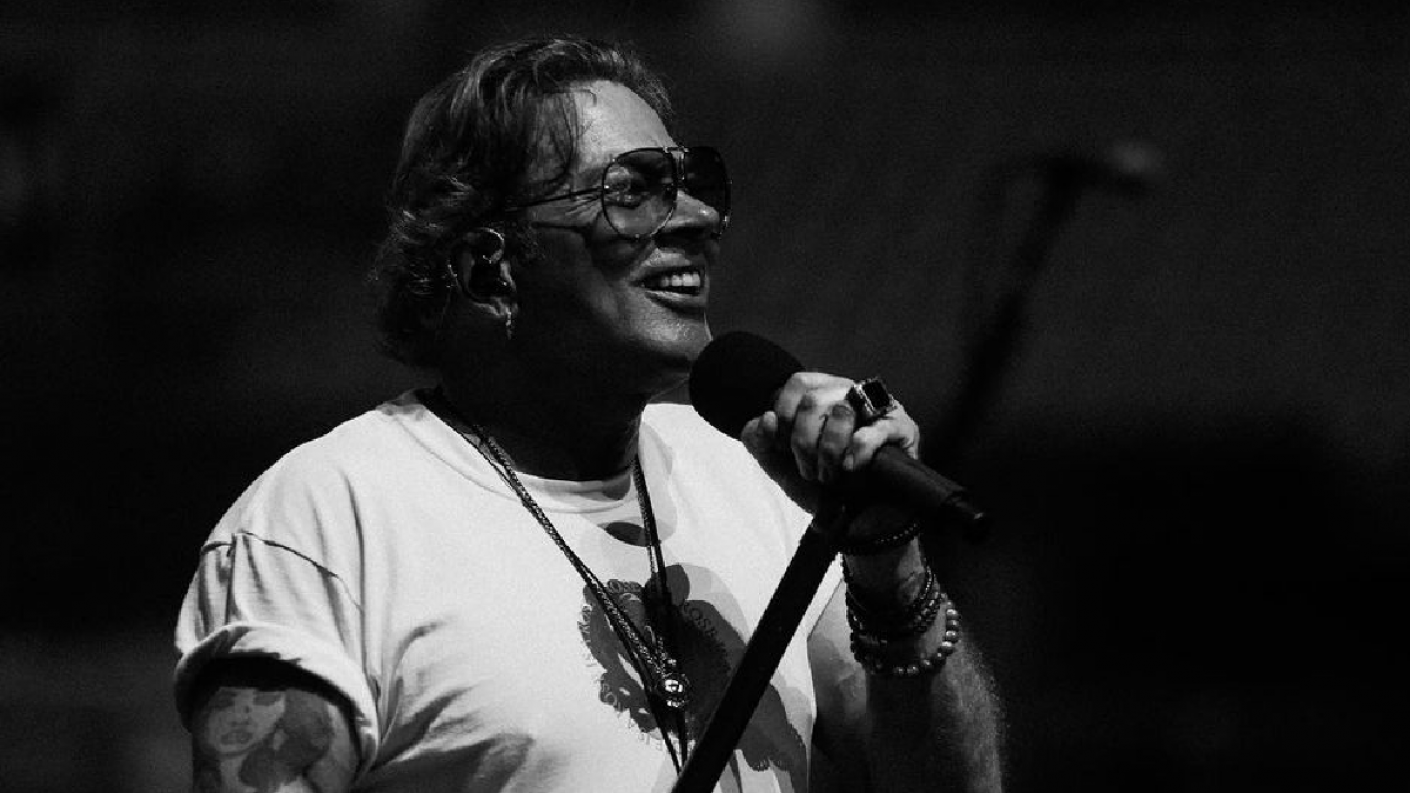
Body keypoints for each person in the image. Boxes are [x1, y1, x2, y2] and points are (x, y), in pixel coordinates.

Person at [173, 35, 1004, 793]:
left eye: (693, 184)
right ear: (489, 267)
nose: (699, 219)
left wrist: (887, 560)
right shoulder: (328, 519)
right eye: (632, 191)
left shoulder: (756, 482)